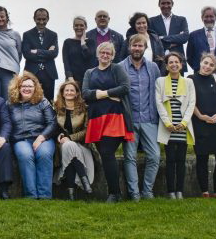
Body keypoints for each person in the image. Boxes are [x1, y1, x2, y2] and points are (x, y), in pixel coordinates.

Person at [82, 41, 132, 203]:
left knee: (107, 152)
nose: (105, 55)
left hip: (114, 117)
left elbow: (125, 87)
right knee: (105, 155)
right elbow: (85, 93)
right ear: (98, 54)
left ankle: (114, 193)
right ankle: (115, 193)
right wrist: (109, 95)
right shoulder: (90, 72)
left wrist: (101, 94)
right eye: (102, 52)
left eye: (108, 53)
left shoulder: (117, 69)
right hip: (96, 118)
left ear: (112, 56)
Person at [119, 34, 161, 201]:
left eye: (140, 45)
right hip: (129, 120)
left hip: (149, 118)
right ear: (129, 47)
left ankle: (147, 191)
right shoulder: (120, 67)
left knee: (154, 156)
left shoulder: (153, 67)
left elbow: (158, 91)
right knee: (130, 157)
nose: (137, 48)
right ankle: (134, 193)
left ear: (145, 48)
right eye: (134, 45)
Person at [8, 72, 56, 199]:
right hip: (21, 139)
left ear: (35, 88)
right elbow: (6, 124)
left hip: (43, 138)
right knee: (25, 155)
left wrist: (41, 138)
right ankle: (31, 195)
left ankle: (45, 195)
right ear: (18, 88)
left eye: (30, 86)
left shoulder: (43, 102)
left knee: (44, 154)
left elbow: (52, 123)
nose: (27, 88)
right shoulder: (10, 104)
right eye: (23, 86)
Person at [189, 53, 216, 198]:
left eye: (211, 65)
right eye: (206, 63)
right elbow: (190, 101)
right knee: (202, 159)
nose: (207, 67)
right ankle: (205, 192)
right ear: (200, 62)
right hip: (200, 123)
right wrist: (200, 116)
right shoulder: (190, 79)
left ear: (214, 68)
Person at [156, 52, 196, 199]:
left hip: (183, 127)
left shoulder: (188, 82)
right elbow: (159, 103)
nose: (174, 64)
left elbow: (191, 103)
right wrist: (167, 123)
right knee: (170, 160)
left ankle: (180, 191)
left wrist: (184, 122)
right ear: (166, 66)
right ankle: (171, 191)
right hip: (168, 127)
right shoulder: (160, 81)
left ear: (181, 64)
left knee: (181, 160)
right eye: (170, 62)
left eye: (176, 62)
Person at [53, 79, 93, 200]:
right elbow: (53, 127)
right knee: (67, 146)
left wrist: (70, 138)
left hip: (82, 146)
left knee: (69, 146)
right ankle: (85, 183)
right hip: (61, 146)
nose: (69, 92)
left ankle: (71, 193)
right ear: (62, 93)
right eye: (67, 90)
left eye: (72, 90)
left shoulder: (84, 109)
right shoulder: (56, 108)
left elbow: (87, 130)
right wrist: (58, 135)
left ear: (76, 93)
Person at [186, 6, 216, 90]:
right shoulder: (194, 35)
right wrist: (199, 68)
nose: (209, 19)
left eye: (211, 16)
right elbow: (189, 57)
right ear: (202, 18)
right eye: (206, 16)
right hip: (200, 75)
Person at [22, 8, 59, 102]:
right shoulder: (27, 35)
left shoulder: (53, 35)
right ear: (34, 19)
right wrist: (47, 53)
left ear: (48, 19)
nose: (41, 22)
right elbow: (27, 54)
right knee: (30, 102)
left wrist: (37, 51)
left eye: (44, 19)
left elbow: (54, 53)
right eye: (39, 19)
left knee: (48, 103)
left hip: (49, 74)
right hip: (31, 74)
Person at [149, 0, 189, 74]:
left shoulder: (181, 20)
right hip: (159, 63)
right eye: (163, 3)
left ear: (172, 4)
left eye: (168, 3)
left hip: (178, 63)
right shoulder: (151, 21)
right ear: (159, 4)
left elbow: (184, 37)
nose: (166, 6)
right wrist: (175, 40)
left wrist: (162, 38)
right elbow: (153, 41)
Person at [0, 6, 22, 101]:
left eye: (2, 16)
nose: (0, 19)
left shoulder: (15, 34)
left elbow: (19, 53)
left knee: (8, 99)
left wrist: (13, 65)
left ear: (7, 17)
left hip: (9, 71)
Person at [61, 16, 93, 84]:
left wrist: (83, 44)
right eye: (76, 25)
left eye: (81, 25)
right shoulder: (67, 42)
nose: (79, 27)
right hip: (72, 79)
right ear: (73, 27)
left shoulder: (91, 42)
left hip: (88, 79)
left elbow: (89, 58)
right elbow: (66, 62)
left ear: (86, 27)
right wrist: (70, 78)